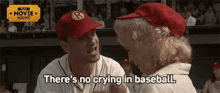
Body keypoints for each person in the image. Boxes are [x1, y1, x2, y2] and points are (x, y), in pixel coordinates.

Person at [34, 10, 129, 93]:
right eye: (82, 38)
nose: (92, 41)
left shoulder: (112, 69)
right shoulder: (51, 74)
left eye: (93, 33)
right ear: (66, 46)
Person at [114, 3, 197, 93]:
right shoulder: (184, 79)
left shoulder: (153, 86)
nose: (130, 59)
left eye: (130, 50)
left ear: (149, 46)